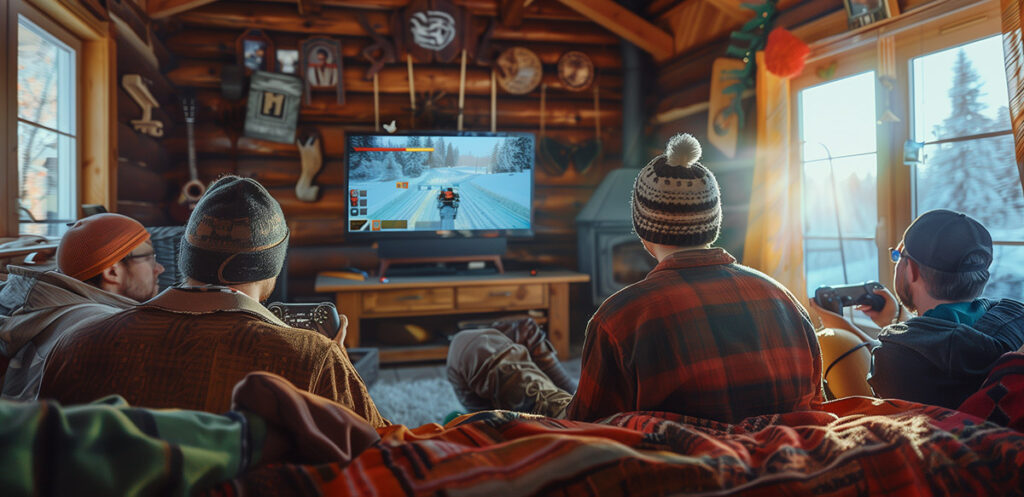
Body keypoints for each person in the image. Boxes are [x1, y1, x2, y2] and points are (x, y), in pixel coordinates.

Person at [448, 133, 823, 423]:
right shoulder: (784, 300)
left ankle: (514, 352)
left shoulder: (620, 316)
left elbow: (585, 429)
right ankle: (532, 342)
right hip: (745, 450)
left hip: (632, 449)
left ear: (643, 233)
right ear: (714, 224)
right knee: (551, 358)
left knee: (470, 346)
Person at [39, 176, 388, 427]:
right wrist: (338, 368)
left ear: (187, 258)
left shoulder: (75, 345)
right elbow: (383, 449)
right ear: (271, 268)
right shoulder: (311, 357)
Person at [1, 371, 379, 497]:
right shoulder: (315, 352)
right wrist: (249, 435)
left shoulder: (74, 341)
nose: (162, 264)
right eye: (149, 255)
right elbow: (380, 441)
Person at [811, 209, 1024, 408]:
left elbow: (901, 355)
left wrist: (842, 329)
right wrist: (897, 320)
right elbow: (940, 337)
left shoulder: (897, 357)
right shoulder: (1014, 319)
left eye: (898, 256)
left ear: (911, 269)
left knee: (831, 339)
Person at [0, 213, 164, 400]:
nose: (159, 268)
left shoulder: (38, 307)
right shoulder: (109, 330)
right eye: (150, 258)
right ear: (112, 271)